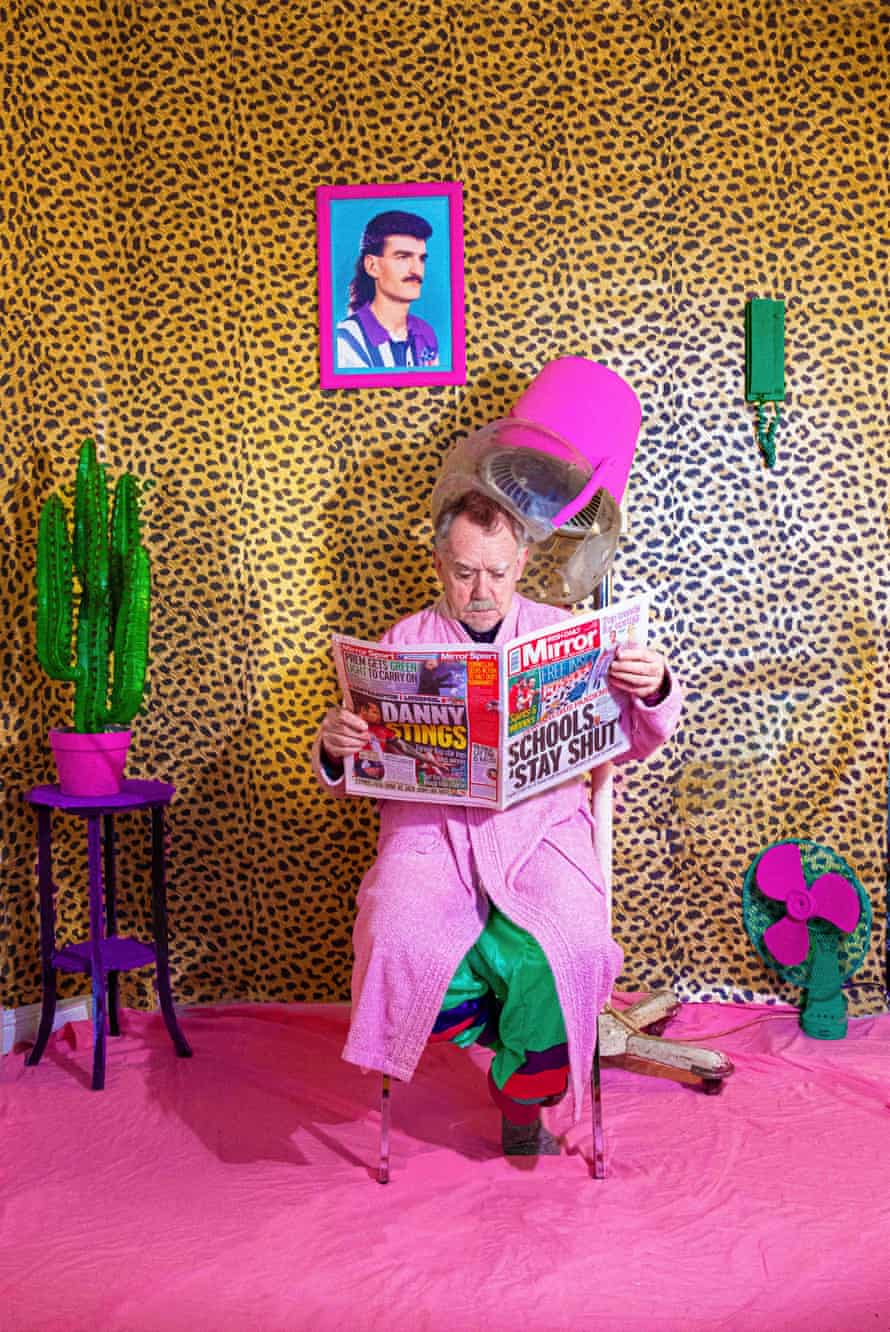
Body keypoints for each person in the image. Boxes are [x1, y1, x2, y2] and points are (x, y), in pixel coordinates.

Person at [312, 489, 682, 1155]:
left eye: (497, 571)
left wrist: (651, 684)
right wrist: (336, 747)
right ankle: (498, 1020)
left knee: (572, 944)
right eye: (463, 572)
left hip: (542, 829)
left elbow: (634, 734)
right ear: (438, 565)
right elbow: (359, 767)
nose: (481, 590)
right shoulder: (404, 642)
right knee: (397, 939)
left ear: (523, 561)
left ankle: (522, 1094)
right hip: (432, 833)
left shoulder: (562, 633)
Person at [336, 210, 439, 371]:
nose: (417, 270)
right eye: (403, 257)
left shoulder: (425, 333)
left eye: (421, 259)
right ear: (372, 266)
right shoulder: (347, 339)